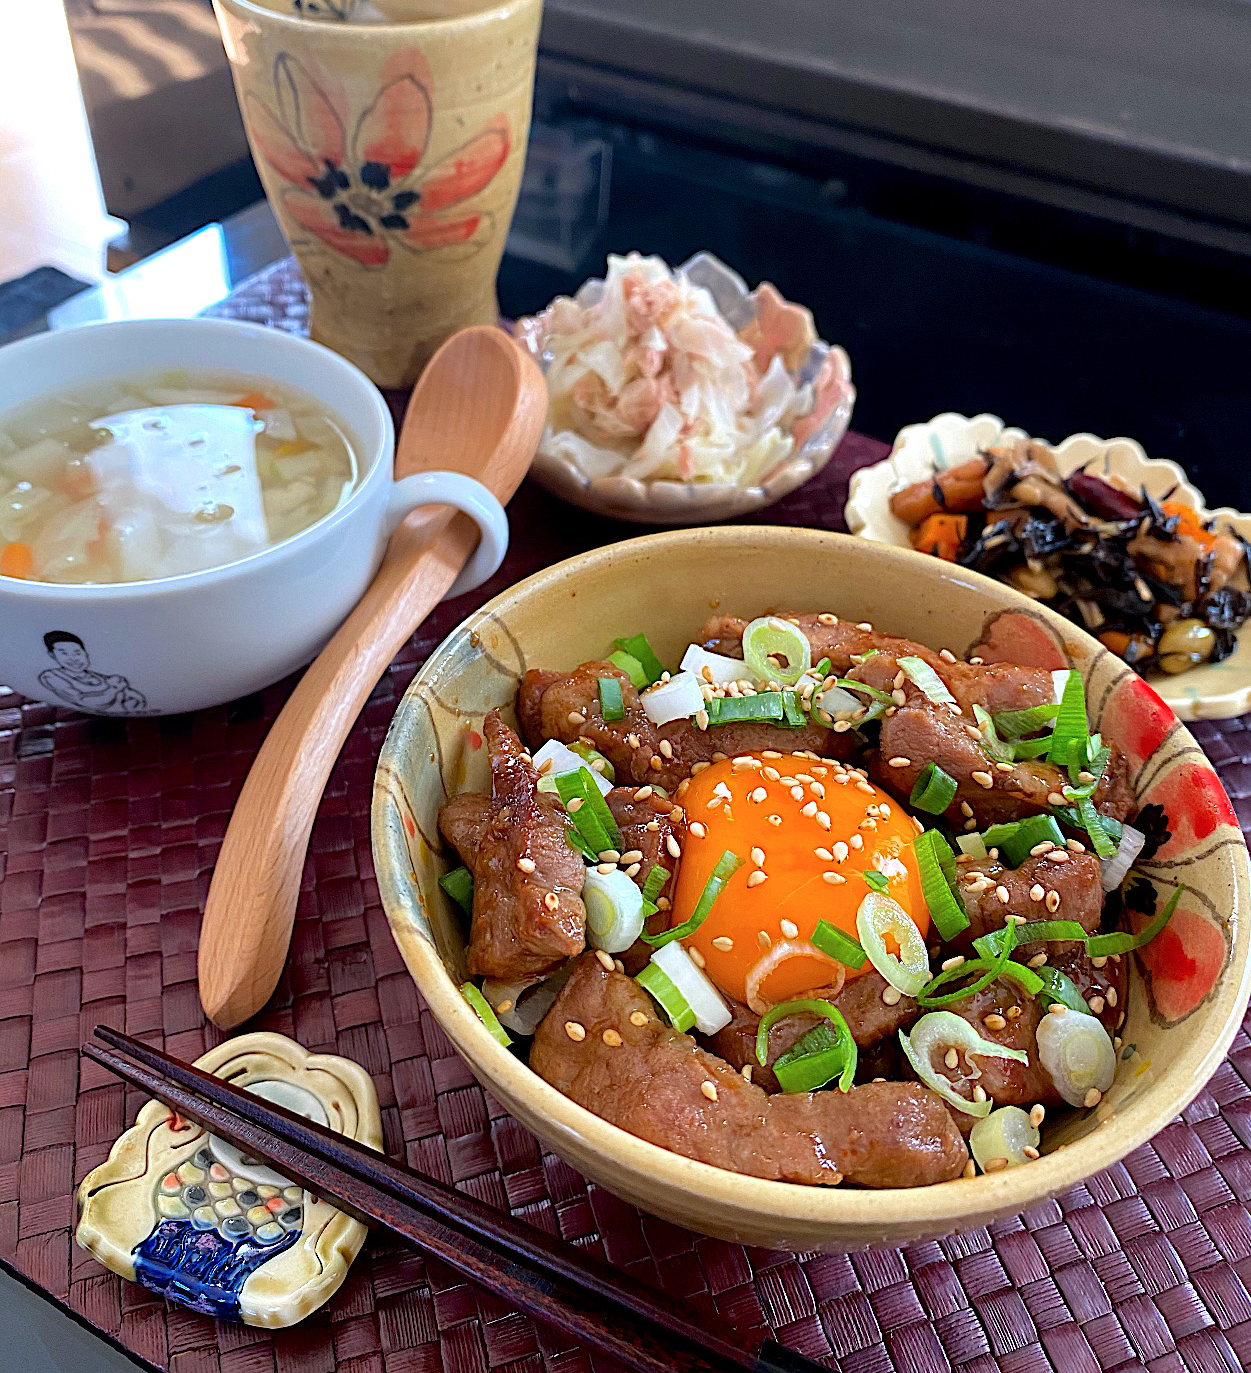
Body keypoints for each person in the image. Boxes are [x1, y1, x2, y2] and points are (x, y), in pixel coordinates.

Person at [38, 631, 148, 713]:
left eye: (77, 653)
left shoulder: (101, 678)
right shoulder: (51, 677)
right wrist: (114, 689)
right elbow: (86, 701)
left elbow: (136, 700)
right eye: (64, 653)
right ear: (52, 655)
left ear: (85, 653)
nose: (73, 658)